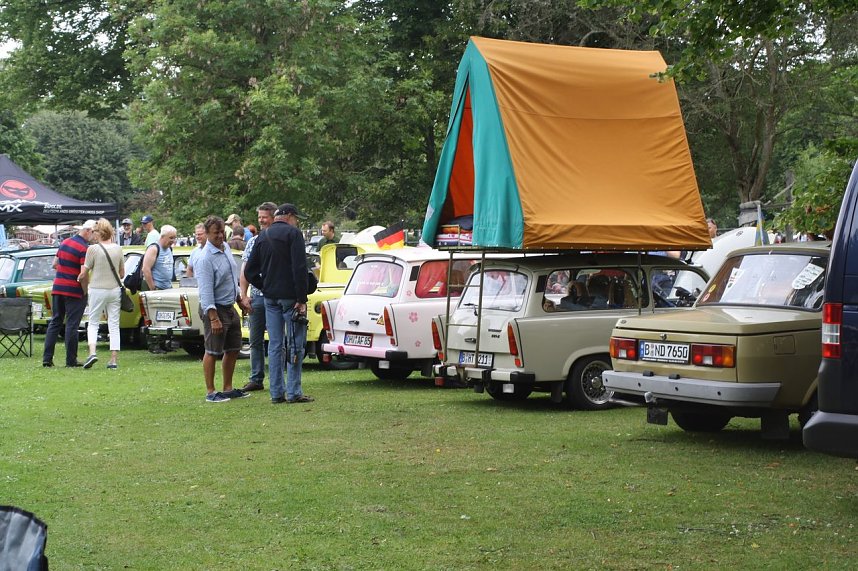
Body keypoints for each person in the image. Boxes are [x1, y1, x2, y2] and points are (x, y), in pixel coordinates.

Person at [245, 202, 314, 404]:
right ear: (290, 216)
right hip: (291, 298)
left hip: (270, 298)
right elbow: (300, 269)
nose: (297, 222)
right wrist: (301, 299)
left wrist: (265, 286)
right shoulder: (293, 235)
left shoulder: (262, 236)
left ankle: (276, 393)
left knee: (275, 345)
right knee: (294, 344)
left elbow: (249, 271)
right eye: (296, 218)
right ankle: (293, 392)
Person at [195, 216, 248, 403]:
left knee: (233, 348)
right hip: (214, 309)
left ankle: (227, 388)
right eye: (215, 233)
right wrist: (213, 317)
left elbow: (231, 280)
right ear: (207, 234)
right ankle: (211, 392)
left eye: (221, 232)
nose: (219, 236)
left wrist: (239, 301)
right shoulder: (205, 258)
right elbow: (206, 291)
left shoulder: (225, 249)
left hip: (229, 306)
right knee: (212, 351)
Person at [42, 220, 95, 367]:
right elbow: (83, 274)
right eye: (94, 233)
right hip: (73, 290)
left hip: (58, 287)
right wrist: (85, 292)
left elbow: (54, 264)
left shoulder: (65, 242)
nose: (94, 236)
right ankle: (70, 360)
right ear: (88, 231)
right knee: (72, 324)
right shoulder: (84, 248)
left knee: (55, 322)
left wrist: (65, 270)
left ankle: (47, 359)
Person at [238, 202, 277, 392]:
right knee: (255, 340)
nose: (261, 220)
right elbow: (245, 270)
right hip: (257, 297)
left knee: (278, 340)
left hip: (276, 296)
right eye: (259, 216)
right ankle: (256, 378)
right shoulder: (253, 241)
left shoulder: (279, 239)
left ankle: (278, 378)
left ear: (274, 217)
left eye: (265, 216)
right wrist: (243, 295)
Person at [78, 218, 123, 370]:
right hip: (114, 289)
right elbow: (121, 273)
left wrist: (79, 278)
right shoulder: (118, 248)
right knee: (114, 324)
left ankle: (92, 352)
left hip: (97, 289)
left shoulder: (93, 249)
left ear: (98, 233)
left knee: (93, 322)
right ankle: (113, 359)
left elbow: (84, 273)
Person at [142, 224, 177, 291]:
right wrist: (153, 288)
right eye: (171, 238)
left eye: (174, 238)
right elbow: (145, 269)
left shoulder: (169, 249)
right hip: (157, 288)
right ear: (162, 236)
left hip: (168, 288)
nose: (173, 240)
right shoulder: (154, 249)